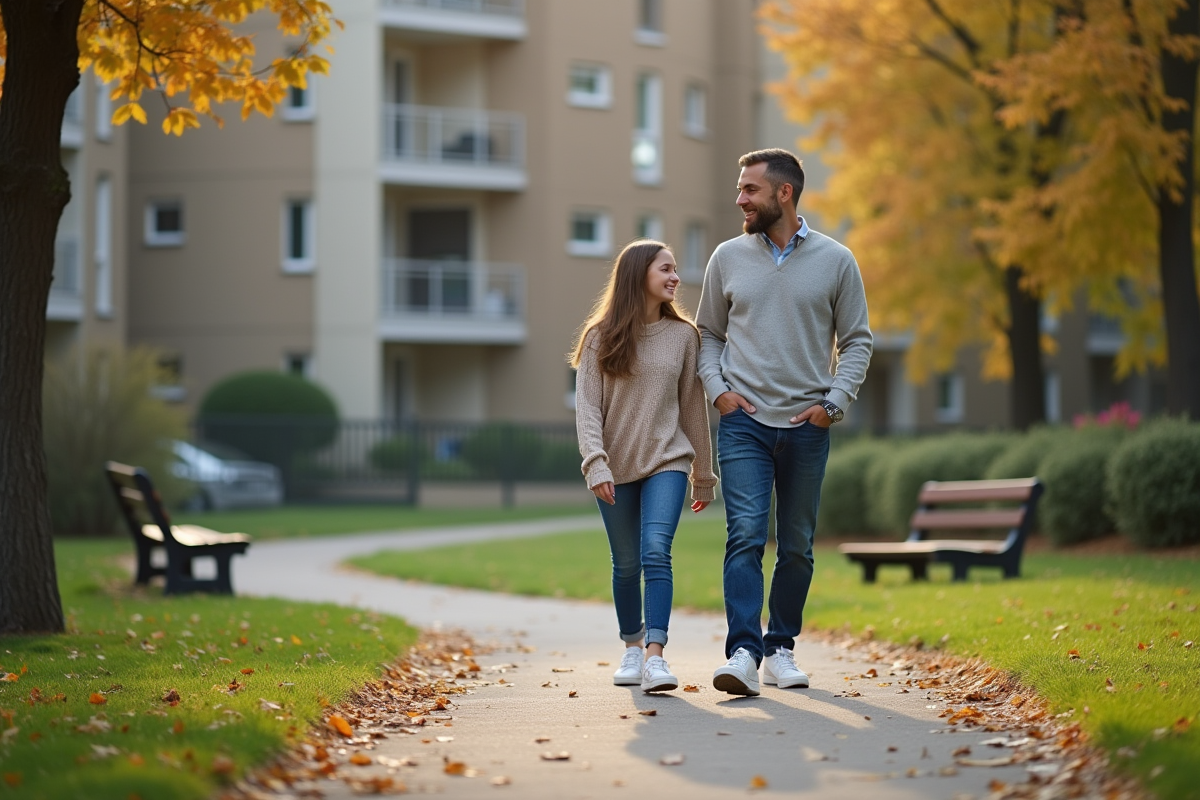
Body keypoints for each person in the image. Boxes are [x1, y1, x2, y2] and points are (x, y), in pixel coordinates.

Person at [696, 148, 873, 696]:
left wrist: (833, 403)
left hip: (806, 424)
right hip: (744, 423)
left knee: (796, 543)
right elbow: (707, 335)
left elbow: (858, 341)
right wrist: (719, 392)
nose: (739, 199)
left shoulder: (837, 260)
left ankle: (781, 647)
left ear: (784, 194)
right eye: (740, 189)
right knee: (745, 535)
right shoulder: (726, 257)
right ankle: (745, 651)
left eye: (749, 189)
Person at [571, 239, 718, 693]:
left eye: (675, 269)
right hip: (614, 466)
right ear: (639, 275)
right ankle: (632, 647)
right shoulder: (600, 337)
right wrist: (595, 463)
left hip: (666, 460)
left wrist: (703, 474)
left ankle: (656, 655)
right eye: (666, 269)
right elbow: (587, 408)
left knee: (656, 550)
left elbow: (693, 408)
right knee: (626, 563)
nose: (675, 277)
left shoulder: (684, 336)